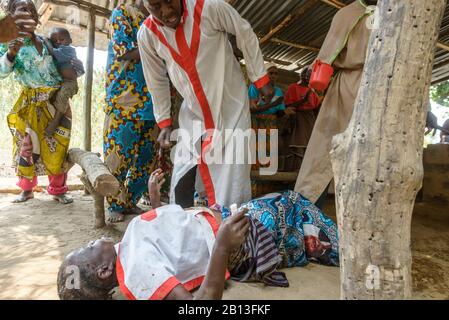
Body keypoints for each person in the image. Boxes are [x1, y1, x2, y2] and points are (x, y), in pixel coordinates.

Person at [57, 169, 339, 300]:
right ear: (105, 271)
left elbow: (171, 240)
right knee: (292, 210)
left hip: (222, 219)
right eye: (87, 248)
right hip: (238, 241)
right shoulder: (138, 271)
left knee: (293, 208)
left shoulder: (130, 250)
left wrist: (156, 202)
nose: (89, 242)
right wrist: (222, 246)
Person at [138, 0, 274, 209]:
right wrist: (164, 121)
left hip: (230, 107)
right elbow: (155, 78)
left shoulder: (209, 8)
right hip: (193, 112)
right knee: (183, 171)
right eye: (156, 7)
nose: (166, 12)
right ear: (145, 6)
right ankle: (180, 227)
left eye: (169, 1)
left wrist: (260, 77)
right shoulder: (147, 34)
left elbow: (243, 30)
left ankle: (228, 233)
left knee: (231, 181)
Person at [295, 0, 378, 209]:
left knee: (330, 151)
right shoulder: (348, 13)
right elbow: (323, 63)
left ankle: (312, 209)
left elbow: (324, 59)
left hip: (373, 88)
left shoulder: (354, 13)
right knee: (323, 151)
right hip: (354, 88)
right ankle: (308, 211)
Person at [0, 0, 77, 204]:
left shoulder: (46, 41)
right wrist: (10, 54)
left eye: (30, 10)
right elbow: (2, 72)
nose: (27, 13)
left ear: (35, 17)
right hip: (31, 103)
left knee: (58, 146)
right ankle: (26, 189)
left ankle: (58, 189)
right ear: (12, 16)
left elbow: (64, 64)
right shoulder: (8, 44)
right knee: (27, 146)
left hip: (56, 102)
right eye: (21, 9)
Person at [104, 1, 165, 223]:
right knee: (119, 156)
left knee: (145, 159)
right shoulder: (122, 12)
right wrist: (163, 49)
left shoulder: (158, 18)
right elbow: (124, 50)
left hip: (153, 102)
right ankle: (113, 204)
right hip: (124, 99)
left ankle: (130, 202)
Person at [43, 28, 84, 136]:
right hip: (61, 83)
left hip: (70, 83)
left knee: (62, 96)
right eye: (54, 41)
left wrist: (47, 42)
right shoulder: (51, 53)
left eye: (61, 39)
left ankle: (56, 121)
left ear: (70, 41)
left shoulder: (69, 50)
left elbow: (54, 53)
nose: (58, 42)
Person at [283, 67, 321, 172]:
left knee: (309, 145)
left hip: (310, 120)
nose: (307, 77)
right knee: (298, 143)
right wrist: (303, 100)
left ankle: (307, 171)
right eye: (305, 74)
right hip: (298, 118)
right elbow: (289, 105)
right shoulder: (293, 87)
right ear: (301, 76)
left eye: (310, 75)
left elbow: (316, 107)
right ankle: (295, 170)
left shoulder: (312, 91)